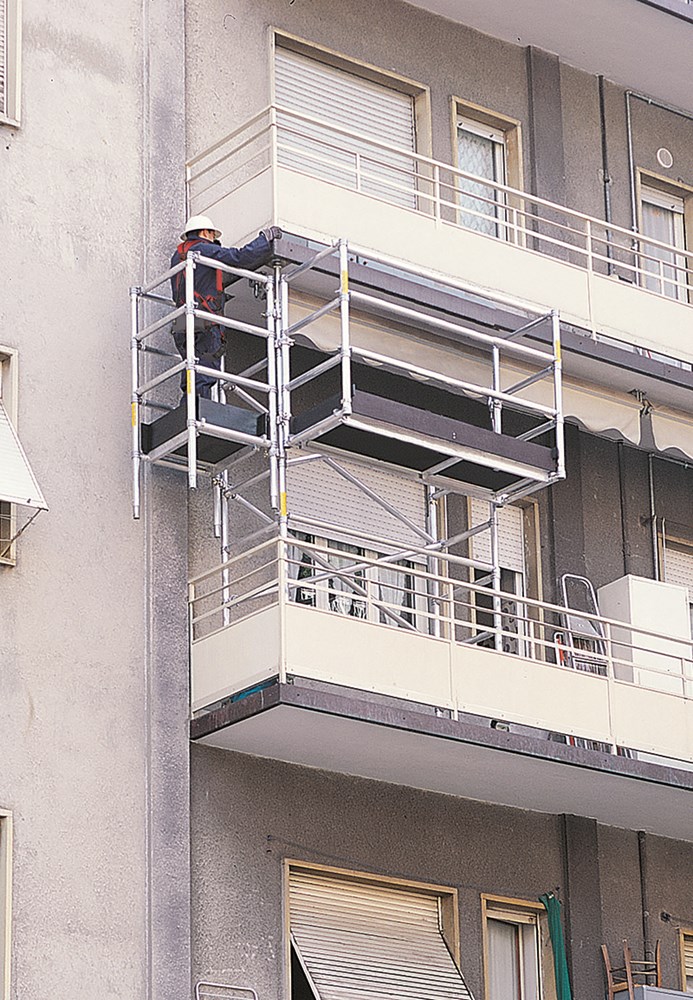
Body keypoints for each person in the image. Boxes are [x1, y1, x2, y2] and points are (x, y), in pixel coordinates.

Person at [170, 214, 282, 398]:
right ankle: (198, 407)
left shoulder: (178, 257)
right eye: (212, 235)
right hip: (204, 318)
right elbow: (239, 257)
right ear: (205, 232)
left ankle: (189, 405)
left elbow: (205, 280)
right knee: (205, 369)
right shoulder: (202, 249)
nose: (214, 240)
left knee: (191, 367)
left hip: (182, 321)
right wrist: (264, 240)